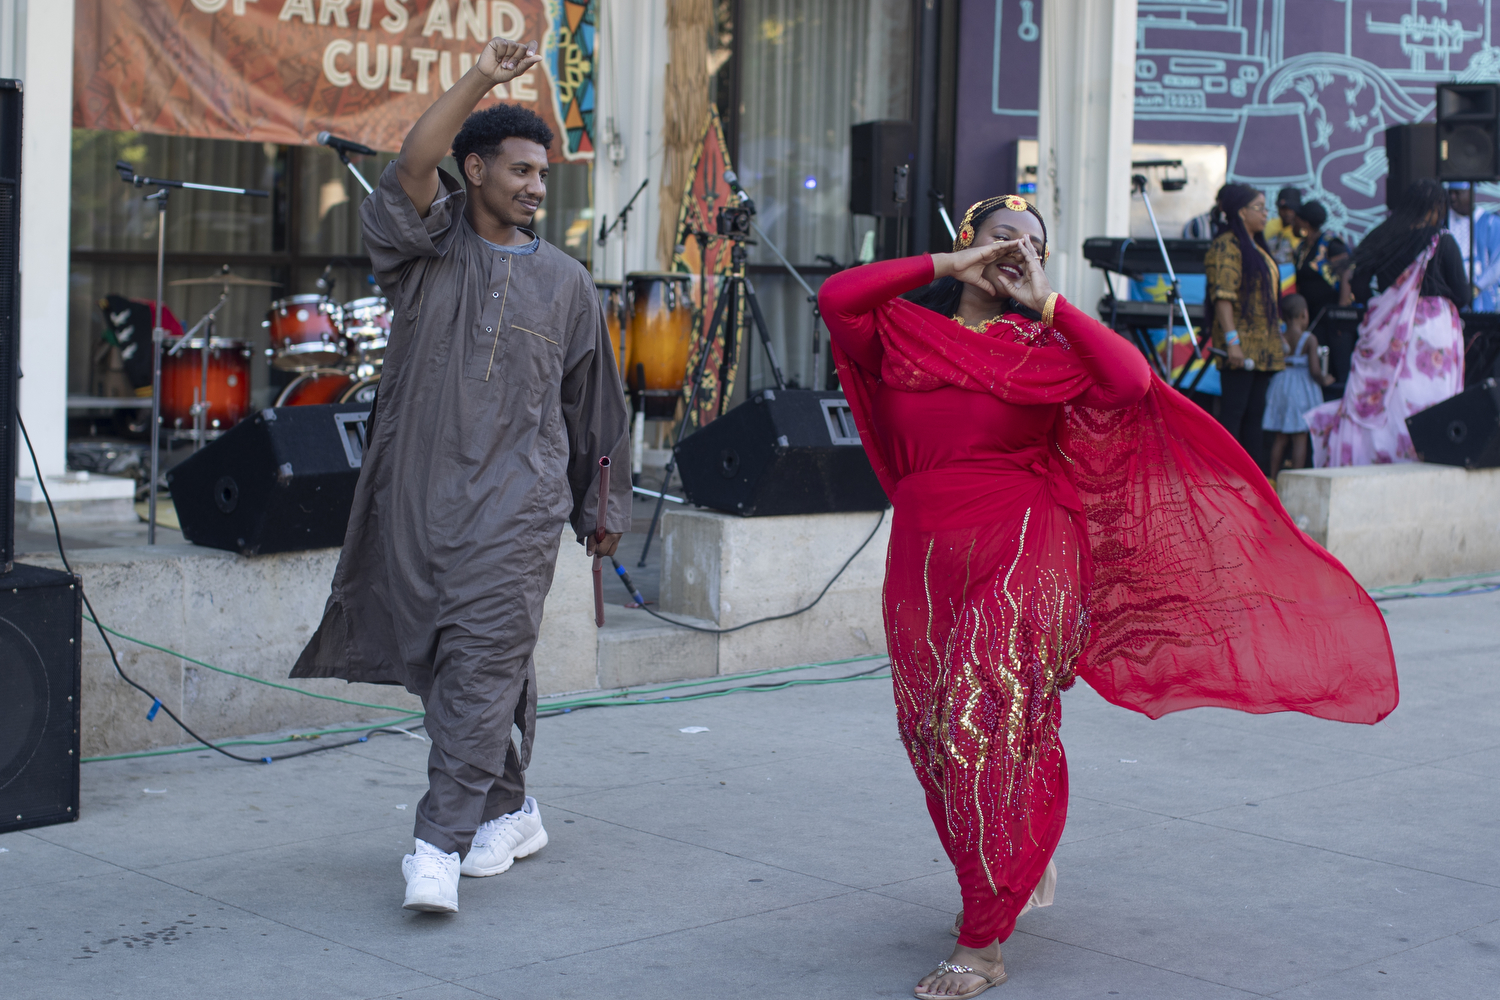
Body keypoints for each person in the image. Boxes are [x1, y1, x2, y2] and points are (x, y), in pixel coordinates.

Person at [819, 195, 1398, 1000]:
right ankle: (1015, 837)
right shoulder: (901, 333)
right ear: (965, 244)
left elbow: (1129, 382)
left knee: (974, 718)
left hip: (1027, 541)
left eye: (1034, 245)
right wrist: (949, 271)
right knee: (933, 736)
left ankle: (981, 945)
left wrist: (1048, 304)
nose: (1016, 251)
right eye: (999, 238)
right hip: (925, 556)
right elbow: (836, 296)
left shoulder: (1048, 348)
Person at [290, 38, 631, 913]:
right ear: (473, 170)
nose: (534, 187)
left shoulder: (567, 285)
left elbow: (596, 409)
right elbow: (410, 163)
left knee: (480, 661)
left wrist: (604, 502)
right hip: (418, 502)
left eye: (542, 176)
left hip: (516, 510)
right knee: (453, 668)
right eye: (518, 170)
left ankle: (435, 846)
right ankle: (510, 809)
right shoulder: (424, 253)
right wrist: (482, 76)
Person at [1308, 178, 1467, 466]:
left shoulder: (1382, 235)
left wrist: (1385, 302)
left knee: (1387, 394)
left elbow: (1356, 278)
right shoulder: (1441, 239)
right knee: (1429, 395)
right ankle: (1422, 456)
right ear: (1436, 207)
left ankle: (1380, 455)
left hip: (1385, 326)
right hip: (1433, 329)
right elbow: (1463, 294)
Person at [1205, 183, 1285, 473]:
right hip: (1240, 346)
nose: (1266, 214)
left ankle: (1253, 480)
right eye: (1259, 207)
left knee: (1255, 416)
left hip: (1262, 348)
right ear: (1241, 212)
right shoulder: (1227, 244)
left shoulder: (1256, 246)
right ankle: (1224, 477)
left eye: (1266, 208)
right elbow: (1223, 298)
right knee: (1234, 413)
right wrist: (1232, 342)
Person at [1263, 294, 1334, 474]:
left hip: (1280, 386)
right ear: (1304, 314)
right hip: (1301, 390)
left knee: (1280, 436)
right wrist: (1326, 380)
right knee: (1299, 437)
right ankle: (1295, 479)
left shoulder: (1280, 337)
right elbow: (1315, 371)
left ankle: (1272, 478)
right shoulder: (1309, 339)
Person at [1289, 199, 1349, 330]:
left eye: (1296, 220)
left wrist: (1341, 314)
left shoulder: (1331, 244)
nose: (1292, 223)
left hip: (1331, 319)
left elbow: (1347, 276)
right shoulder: (1301, 248)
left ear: (1305, 223)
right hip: (1310, 317)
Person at [1445, 181, 1500, 310]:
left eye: (1458, 193)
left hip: (1484, 301)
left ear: (1470, 192)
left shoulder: (1490, 222)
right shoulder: (1443, 222)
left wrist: (1477, 287)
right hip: (1451, 301)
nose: (1452, 197)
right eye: (1450, 193)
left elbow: (1498, 263)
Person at [1263, 186, 1303, 264]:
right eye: (1283, 208)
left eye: (1291, 208)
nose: (1287, 213)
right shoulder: (1268, 225)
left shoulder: (1302, 230)